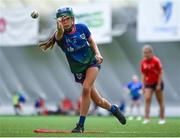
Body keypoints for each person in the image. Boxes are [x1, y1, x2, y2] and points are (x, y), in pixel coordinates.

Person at [39, 7, 126, 133]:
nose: (65, 22)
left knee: (86, 88)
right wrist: (58, 25)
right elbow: (59, 32)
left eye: (67, 19)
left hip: (91, 62)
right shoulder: (60, 36)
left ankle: (80, 125)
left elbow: (91, 42)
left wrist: (98, 53)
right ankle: (114, 109)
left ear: (72, 18)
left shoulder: (82, 28)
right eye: (61, 20)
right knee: (99, 101)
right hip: (78, 68)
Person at [141, 44, 165, 125]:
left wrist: (158, 85)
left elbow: (160, 73)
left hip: (157, 82)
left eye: (146, 52)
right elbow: (143, 74)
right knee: (147, 99)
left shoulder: (156, 61)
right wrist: (143, 85)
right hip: (148, 83)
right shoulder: (143, 62)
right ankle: (146, 118)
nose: (145, 54)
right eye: (144, 53)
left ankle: (162, 118)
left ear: (151, 52)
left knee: (160, 101)